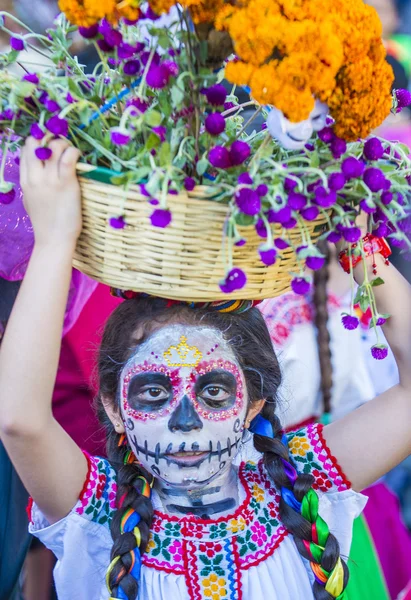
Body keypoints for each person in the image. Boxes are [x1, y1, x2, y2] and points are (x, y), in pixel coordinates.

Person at [0, 136, 410, 600]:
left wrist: (357, 246)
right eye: (154, 393)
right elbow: (20, 419)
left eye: (214, 393)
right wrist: (54, 243)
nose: (185, 421)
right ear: (114, 408)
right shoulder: (99, 514)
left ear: (254, 403)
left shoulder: (300, 483)